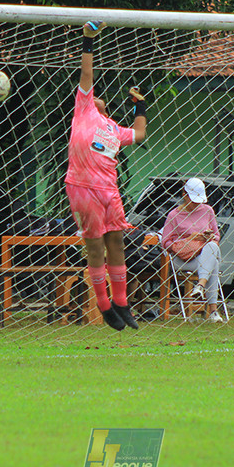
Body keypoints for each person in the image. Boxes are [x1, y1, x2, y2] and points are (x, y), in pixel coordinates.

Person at [65, 20, 148, 331]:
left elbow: (139, 134)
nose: (95, 96)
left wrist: (140, 104)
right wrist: (88, 41)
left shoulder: (114, 128)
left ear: (106, 108)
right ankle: (103, 305)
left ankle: (122, 302)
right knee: (95, 246)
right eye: (93, 95)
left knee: (117, 241)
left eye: (100, 99)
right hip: (83, 187)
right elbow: (87, 75)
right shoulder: (83, 109)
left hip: (109, 191)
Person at [161, 178, 223, 322]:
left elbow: (217, 236)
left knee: (212, 248)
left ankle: (200, 286)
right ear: (184, 195)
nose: (196, 203)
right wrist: (190, 239)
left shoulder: (207, 211)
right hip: (183, 259)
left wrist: (208, 237)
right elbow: (165, 242)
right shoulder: (174, 215)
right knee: (213, 264)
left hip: (204, 256)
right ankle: (213, 312)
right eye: (193, 200)